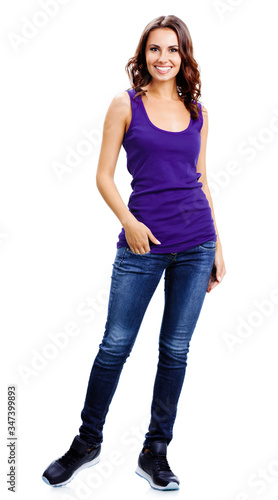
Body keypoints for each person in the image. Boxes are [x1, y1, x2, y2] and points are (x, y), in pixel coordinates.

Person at [42, 14, 226, 491]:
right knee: (114, 347)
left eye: (172, 50)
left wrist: (218, 247)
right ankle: (87, 441)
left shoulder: (199, 113)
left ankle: (155, 450)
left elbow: (202, 180)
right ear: (143, 55)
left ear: (184, 56)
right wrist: (130, 222)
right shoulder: (124, 105)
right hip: (141, 245)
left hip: (196, 244)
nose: (163, 58)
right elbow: (104, 175)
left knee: (175, 350)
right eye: (154, 50)